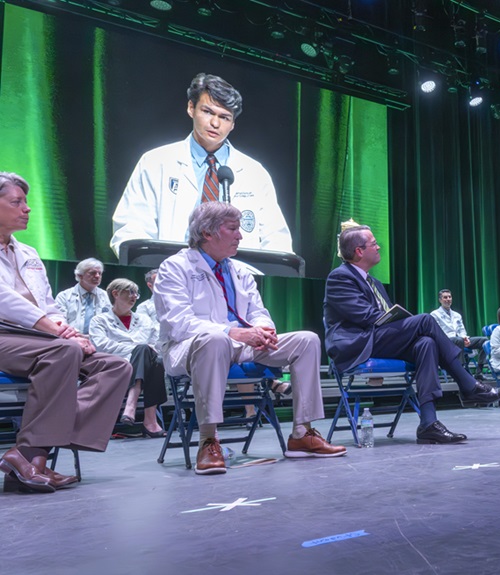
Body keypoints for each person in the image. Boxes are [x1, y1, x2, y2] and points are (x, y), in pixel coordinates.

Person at [153, 202, 342, 475]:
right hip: (191, 348)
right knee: (213, 339)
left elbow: (259, 312)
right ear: (207, 232)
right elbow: (178, 323)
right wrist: (233, 332)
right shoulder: (175, 267)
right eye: (232, 229)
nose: (240, 236)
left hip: (241, 345)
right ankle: (208, 440)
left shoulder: (239, 270)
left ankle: (302, 433)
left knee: (307, 340)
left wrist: (263, 331)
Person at [0, 172, 130, 493]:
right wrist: (59, 332)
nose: (27, 209)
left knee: (115, 366)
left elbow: (48, 304)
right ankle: (33, 455)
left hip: (41, 337)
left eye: (26, 202)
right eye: (17, 202)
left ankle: (30, 456)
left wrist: (69, 330)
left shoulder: (28, 253)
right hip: (7, 334)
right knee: (65, 351)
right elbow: (6, 301)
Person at [324, 225, 500, 444]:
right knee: (425, 320)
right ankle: (468, 386)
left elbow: (381, 319)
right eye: (374, 243)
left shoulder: (373, 282)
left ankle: (428, 424)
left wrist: (401, 321)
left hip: (377, 338)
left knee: (426, 343)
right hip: (358, 343)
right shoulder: (340, 277)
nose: (378, 247)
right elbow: (366, 316)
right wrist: (404, 321)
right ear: (358, 251)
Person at [110, 73, 293, 257]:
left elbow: (277, 241)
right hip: (169, 277)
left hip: (236, 281)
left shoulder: (255, 173)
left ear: (233, 124)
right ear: (191, 108)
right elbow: (131, 229)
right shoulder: (155, 162)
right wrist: (156, 273)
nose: (215, 123)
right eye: (207, 112)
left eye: (224, 117)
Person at [89, 278, 166, 437]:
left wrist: (143, 351)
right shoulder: (99, 320)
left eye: (136, 293)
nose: (134, 296)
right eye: (130, 292)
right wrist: (137, 350)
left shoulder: (144, 320)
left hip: (145, 363)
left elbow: (156, 342)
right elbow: (102, 345)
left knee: (155, 359)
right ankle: (150, 421)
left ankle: (132, 404)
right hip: (116, 364)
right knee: (145, 353)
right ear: (116, 294)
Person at [429, 289, 488, 378]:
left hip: (460, 339)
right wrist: (461, 339)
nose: (448, 299)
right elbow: (438, 332)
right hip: (446, 341)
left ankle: (479, 372)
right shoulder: (434, 314)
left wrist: (465, 338)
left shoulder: (457, 315)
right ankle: (461, 372)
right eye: (445, 297)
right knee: (458, 340)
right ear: (440, 300)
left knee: (484, 341)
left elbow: (461, 330)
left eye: (450, 297)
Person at [54, 258, 111, 334]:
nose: (97, 276)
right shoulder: (64, 296)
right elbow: (60, 321)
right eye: (92, 273)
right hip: (72, 339)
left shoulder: (107, 297)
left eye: (100, 273)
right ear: (80, 276)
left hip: (100, 340)